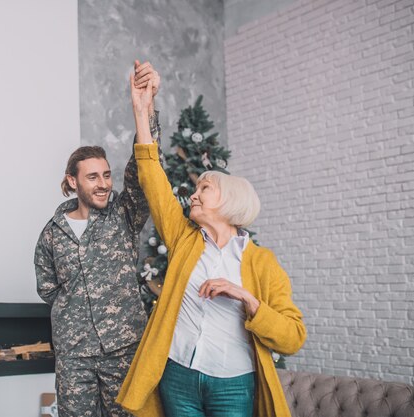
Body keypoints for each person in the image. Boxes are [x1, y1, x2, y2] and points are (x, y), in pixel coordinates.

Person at [116, 64, 306, 417]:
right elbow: (152, 175)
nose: (194, 194)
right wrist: (142, 111)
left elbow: (293, 336)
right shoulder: (183, 238)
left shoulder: (262, 263)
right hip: (178, 377)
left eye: (205, 188)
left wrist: (246, 298)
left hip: (233, 383)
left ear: (230, 202)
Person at [34, 61, 161, 417]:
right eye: (93, 177)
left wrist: (145, 108)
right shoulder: (51, 234)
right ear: (73, 181)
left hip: (124, 349)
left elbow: (143, 167)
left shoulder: (124, 213)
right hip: (74, 356)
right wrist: (75, 317)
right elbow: (48, 288)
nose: (104, 183)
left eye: (106, 175)